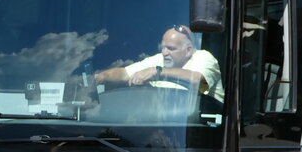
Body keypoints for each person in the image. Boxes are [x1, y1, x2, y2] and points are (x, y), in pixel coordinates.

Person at [95, 26, 223, 102]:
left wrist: (158, 72)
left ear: (188, 50)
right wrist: (101, 77)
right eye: (163, 47)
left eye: (171, 48)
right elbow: (124, 73)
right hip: (161, 125)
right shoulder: (159, 60)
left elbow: (201, 84)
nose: (164, 52)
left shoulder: (203, 57)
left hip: (201, 130)